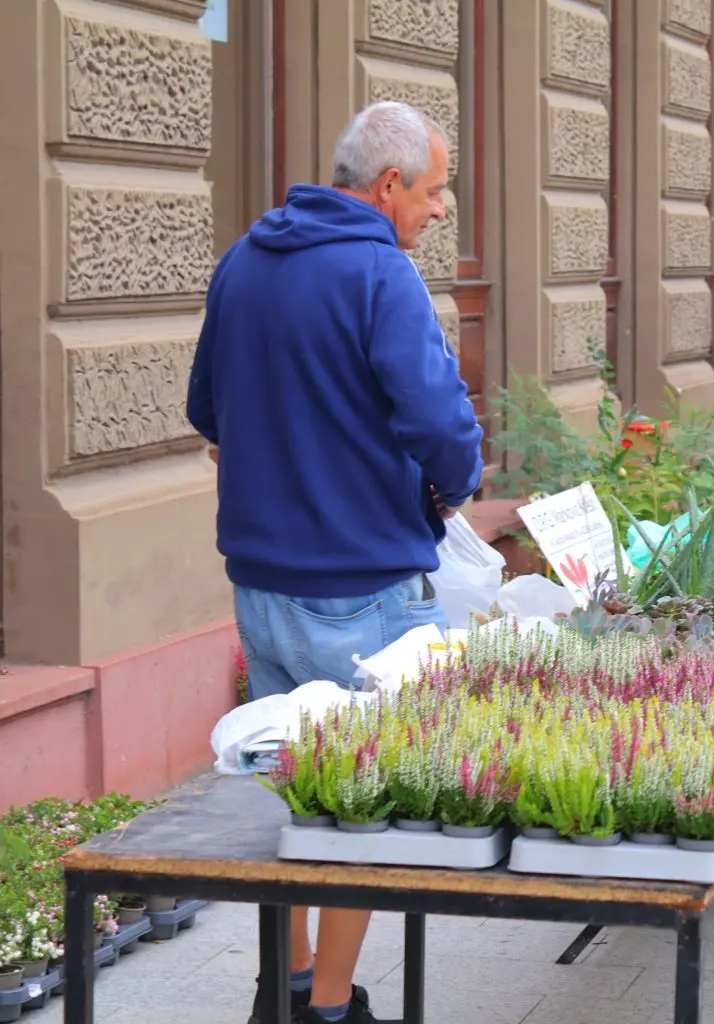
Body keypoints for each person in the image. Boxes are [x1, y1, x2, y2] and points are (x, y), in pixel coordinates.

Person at [187, 100, 484, 1024]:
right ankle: (327, 1006)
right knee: (365, 806)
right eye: (435, 192)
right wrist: (456, 480)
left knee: (291, 794)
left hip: (261, 586)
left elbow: (208, 412)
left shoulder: (244, 261)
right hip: (362, 588)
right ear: (388, 186)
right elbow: (441, 424)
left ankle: (282, 987)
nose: (441, 212)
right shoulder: (379, 274)